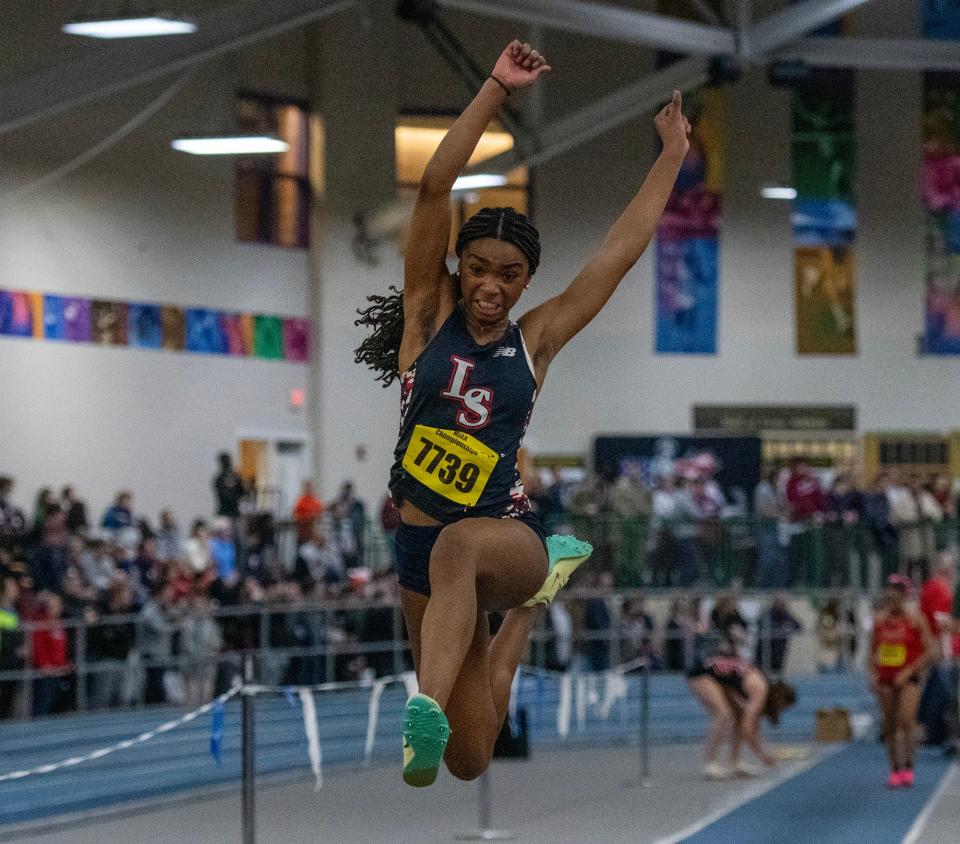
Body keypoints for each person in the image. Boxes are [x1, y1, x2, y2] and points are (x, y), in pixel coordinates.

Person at [354, 40, 689, 787]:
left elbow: (618, 251)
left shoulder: (536, 339)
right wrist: (494, 91)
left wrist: (670, 155)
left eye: (509, 276)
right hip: (419, 552)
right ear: (458, 269)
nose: (491, 287)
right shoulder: (423, 317)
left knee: (459, 550)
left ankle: (423, 709)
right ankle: (530, 614)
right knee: (472, 759)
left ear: (526, 280)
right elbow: (436, 188)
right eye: (477, 270)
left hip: (502, 536)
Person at [687, 648, 796, 779]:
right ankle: (710, 764)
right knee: (723, 714)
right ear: (779, 700)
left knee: (739, 715)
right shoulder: (760, 689)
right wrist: (762, 754)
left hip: (721, 678)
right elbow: (747, 729)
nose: (780, 711)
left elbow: (749, 724)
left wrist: (761, 749)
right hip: (702, 675)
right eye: (782, 708)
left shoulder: (761, 685)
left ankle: (734, 764)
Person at [869, 574, 936, 788]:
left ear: (904, 597)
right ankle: (895, 769)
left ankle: (908, 765)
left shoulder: (916, 620)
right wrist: (872, 676)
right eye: (889, 594)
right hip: (886, 679)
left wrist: (909, 671)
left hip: (909, 679)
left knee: (906, 720)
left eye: (897, 595)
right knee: (889, 724)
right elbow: (872, 654)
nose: (892, 599)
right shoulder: (880, 622)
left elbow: (930, 652)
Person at [212, 452, 244, 519]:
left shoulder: (236, 477)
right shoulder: (219, 479)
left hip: (234, 513)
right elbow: (222, 494)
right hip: (225, 512)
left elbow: (243, 491)